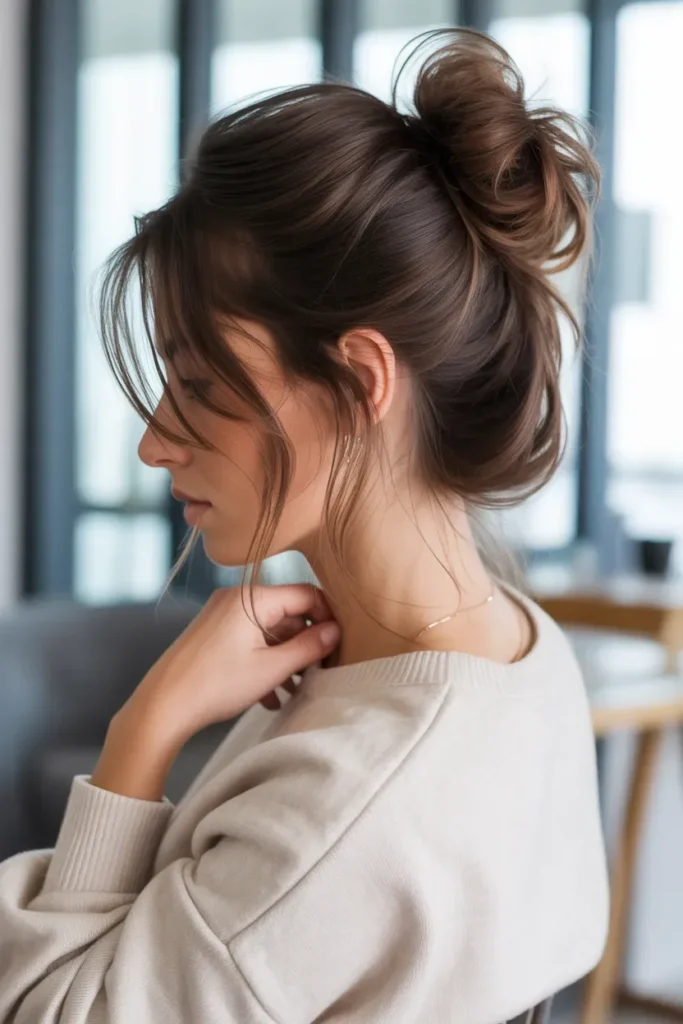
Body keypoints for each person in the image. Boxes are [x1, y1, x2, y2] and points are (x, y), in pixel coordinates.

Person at [0, 29, 608, 1024]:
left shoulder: (353, 800)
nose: (156, 445)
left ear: (361, 379)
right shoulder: (523, 655)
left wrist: (141, 731)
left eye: (199, 384)